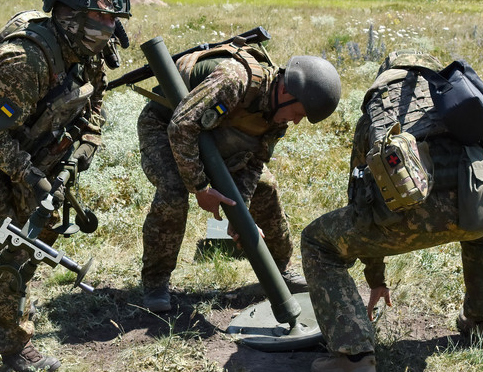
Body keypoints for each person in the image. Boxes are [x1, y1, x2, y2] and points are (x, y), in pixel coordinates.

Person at [0, 0, 131, 372]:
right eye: (100, 16)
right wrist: (30, 175)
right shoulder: (26, 61)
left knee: (39, 235)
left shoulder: (87, 48)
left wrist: (87, 142)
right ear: (70, 14)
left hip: (32, 151)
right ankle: (13, 350)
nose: (108, 26)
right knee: (8, 250)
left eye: (112, 18)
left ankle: (7, 295)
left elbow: (95, 98)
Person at [301, 49, 483, 372]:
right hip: (475, 203)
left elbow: (362, 199)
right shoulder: (456, 90)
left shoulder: (376, 110)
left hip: (408, 214)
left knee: (317, 241)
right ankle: (482, 326)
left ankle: (353, 359)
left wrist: (376, 278)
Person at [136, 40, 342, 312]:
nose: (295, 121)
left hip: (215, 135)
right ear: (285, 90)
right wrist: (200, 187)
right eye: (299, 113)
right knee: (174, 189)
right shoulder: (236, 79)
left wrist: (240, 213)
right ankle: (155, 281)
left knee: (265, 187)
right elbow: (182, 126)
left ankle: (280, 269)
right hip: (164, 127)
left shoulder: (276, 113)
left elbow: (255, 162)